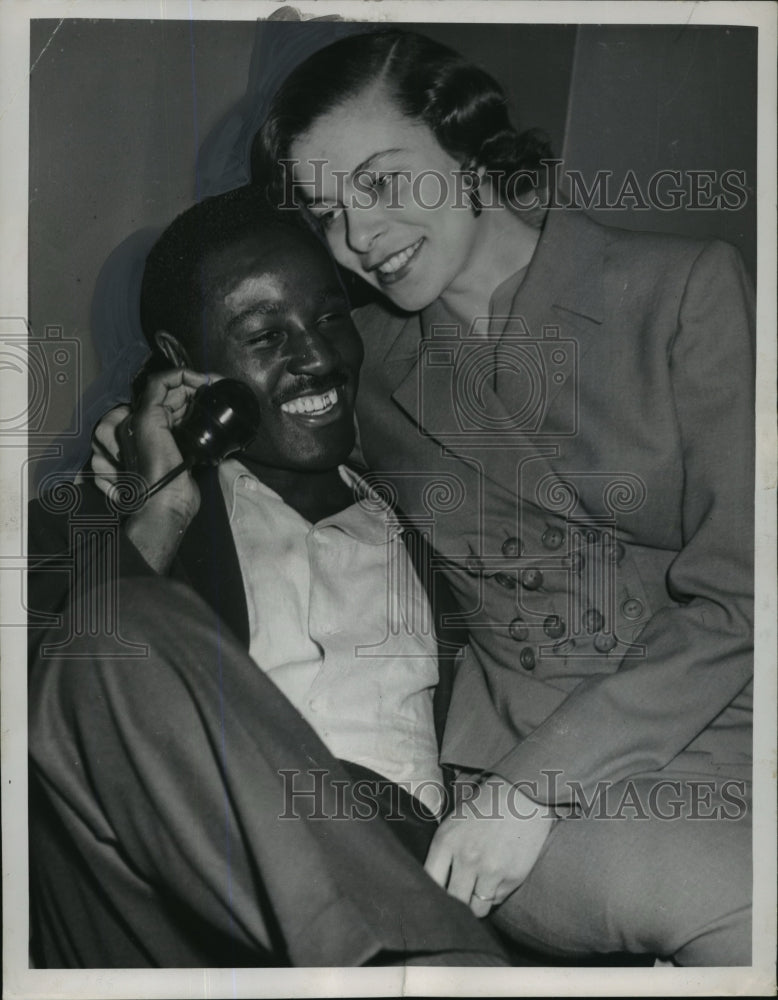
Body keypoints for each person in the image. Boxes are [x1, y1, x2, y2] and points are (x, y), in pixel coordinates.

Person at [244, 29, 754, 965]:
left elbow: (748, 594)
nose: (360, 239)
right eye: (325, 213)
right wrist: (141, 444)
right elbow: (258, 437)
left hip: (738, 710)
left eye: (384, 181)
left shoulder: (685, 292)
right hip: (533, 772)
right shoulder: (369, 366)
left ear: (468, 144)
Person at [27, 185, 509, 968]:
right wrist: (155, 514)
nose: (317, 357)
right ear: (186, 368)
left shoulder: (435, 522)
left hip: (394, 856)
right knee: (118, 629)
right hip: (157, 904)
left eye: (327, 318)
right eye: (265, 334)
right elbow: (42, 740)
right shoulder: (93, 517)